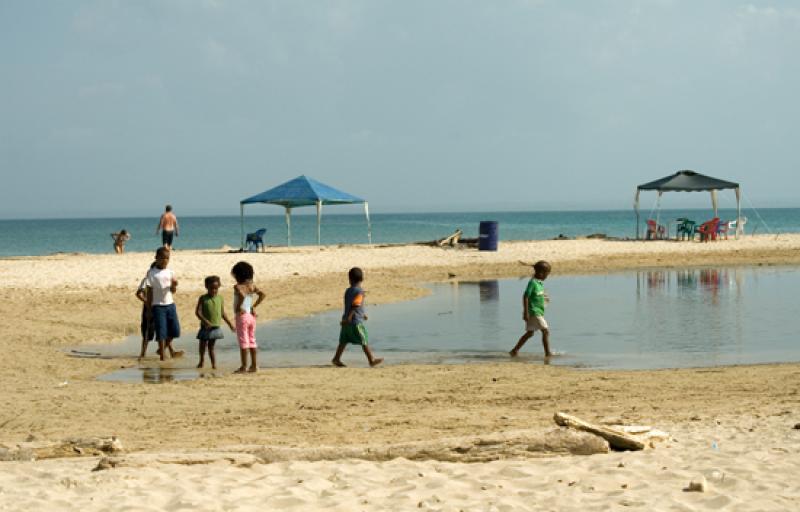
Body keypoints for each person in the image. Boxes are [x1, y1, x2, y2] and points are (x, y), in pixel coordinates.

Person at [332, 267, 383, 368]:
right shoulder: (360, 291)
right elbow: (356, 304)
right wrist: (351, 317)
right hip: (354, 322)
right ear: (362, 279)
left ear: (350, 279)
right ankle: (371, 359)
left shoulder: (348, 291)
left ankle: (336, 358)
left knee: (343, 341)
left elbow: (351, 304)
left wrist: (361, 314)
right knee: (364, 340)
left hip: (346, 321)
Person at [145, 247, 183, 361]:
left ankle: (163, 349)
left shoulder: (170, 272)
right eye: (162, 258)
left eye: (167, 258)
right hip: (157, 305)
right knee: (161, 331)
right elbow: (149, 291)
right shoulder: (152, 273)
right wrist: (149, 308)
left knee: (176, 331)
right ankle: (162, 355)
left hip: (170, 304)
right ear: (156, 258)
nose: (165, 260)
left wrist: (174, 285)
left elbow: (173, 291)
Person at [510, 260, 552, 358]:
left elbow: (539, 296)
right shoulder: (532, 283)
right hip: (533, 312)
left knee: (530, 333)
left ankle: (514, 350)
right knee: (545, 331)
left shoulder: (539, 283)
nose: (547, 276)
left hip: (539, 312)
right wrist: (525, 312)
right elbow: (525, 296)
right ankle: (547, 353)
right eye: (547, 274)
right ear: (541, 273)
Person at [231, 261, 265, 373]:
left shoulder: (238, 286)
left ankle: (244, 366)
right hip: (251, 316)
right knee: (252, 340)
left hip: (242, 317)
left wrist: (239, 306)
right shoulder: (252, 285)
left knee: (243, 342)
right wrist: (254, 306)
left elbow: (241, 294)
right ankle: (254, 365)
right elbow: (262, 295)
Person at [195, 275, 235, 369]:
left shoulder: (220, 298)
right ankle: (201, 361)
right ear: (206, 287)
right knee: (202, 345)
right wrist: (205, 321)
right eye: (211, 288)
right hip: (205, 327)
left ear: (219, 287)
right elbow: (198, 312)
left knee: (211, 347)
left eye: (216, 288)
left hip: (215, 327)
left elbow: (222, 313)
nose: (213, 290)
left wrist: (230, 324)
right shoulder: (203, 298)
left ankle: (214, 364)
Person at [135, 261, 157, 359]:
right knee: (147, 331)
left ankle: (169, 350)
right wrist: (147, 302)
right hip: (149, 309)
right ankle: (143, 353)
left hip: (160, 307)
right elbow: (139, 293)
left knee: (163, 330)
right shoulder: (147, 280)